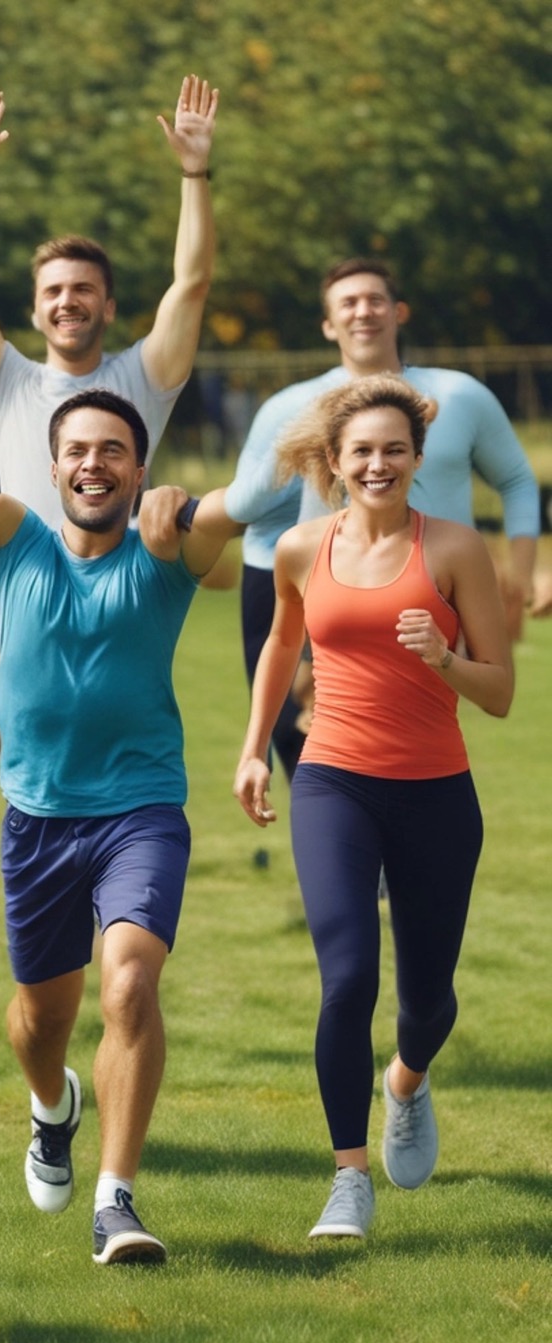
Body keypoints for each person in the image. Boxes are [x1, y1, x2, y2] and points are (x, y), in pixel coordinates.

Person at [0, 363, 235, 1265]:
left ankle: (116, 1200)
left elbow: (228, 558)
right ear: (53, 468)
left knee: (129, 986)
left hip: (141, 810)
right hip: (36, 817)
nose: (93, 464)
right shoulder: (11, 535)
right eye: (76, 450)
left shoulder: (163, 552)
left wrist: (190, 513)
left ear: (137, 466)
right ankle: (52, 1109)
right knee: (40, 1023)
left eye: (113, 451)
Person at [234, 376, 513, 1240]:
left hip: (436, 791)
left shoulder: (458, 550)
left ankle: (407, 1079)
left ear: (418, 459)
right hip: (334, 782)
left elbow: (500, 692)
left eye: (395, 449)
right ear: (334, 463)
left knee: (427, 1000)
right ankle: (347, 1178)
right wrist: (253, 747)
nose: (378, 463)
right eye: (362, 451)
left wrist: (444, 659)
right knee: (346, 977)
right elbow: (284, 638)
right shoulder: (298, 548)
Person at [224, 258, 541, 777]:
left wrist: (521, 578)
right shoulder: (292, 406)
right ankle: (342, 843)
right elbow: (247, 504)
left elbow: (517, 481)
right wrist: (184, 513)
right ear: (327, 324)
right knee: (303, 735)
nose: (362, 312)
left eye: (374, 299)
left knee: (407, 732)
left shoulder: (459, 395)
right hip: (326, 589)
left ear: (399, 311)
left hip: (430, 591)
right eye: (346, 303)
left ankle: (385, 842)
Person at [0, 77, 219, 527]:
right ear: (35, 311)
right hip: (25, 595)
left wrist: (194, 172)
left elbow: (192, 282)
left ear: (109, 308)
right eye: (53, 291)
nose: (67, 301)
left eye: (84, 289)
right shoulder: (4, 382)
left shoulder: (143, 377)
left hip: (120, 592)